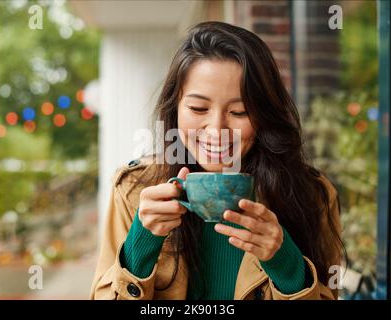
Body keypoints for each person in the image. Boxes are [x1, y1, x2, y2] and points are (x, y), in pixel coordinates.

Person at [91, 21, 344, 300]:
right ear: (175, 107)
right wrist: (142, 243)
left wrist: (285, 262)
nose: (216, 130)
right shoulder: (134, 191)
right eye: (198, 108)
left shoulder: (312, 195)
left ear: (264, 116)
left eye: (239, 112)